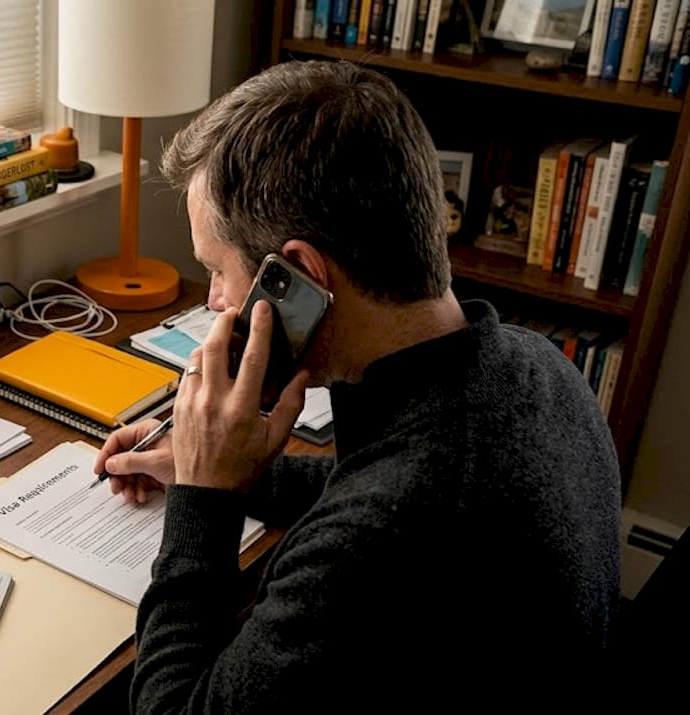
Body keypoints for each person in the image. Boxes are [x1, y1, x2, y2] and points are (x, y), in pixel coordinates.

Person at [94, 60, 620, 710]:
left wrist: (204, 502)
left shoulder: (368, 552)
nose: (213, 301)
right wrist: (236, 471)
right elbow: (376, 481)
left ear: (299, 276)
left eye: (217, 271)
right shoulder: (538, 368)